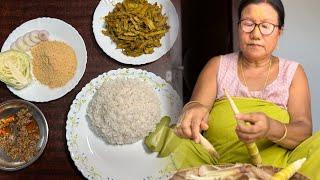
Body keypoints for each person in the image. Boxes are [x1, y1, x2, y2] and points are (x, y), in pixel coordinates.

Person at [145, 0, 320, 179]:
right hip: (215, 166)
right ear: (238, 27)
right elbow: (197, 104)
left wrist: (270, 128)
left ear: (279, 32)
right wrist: (193, 109)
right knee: (171, 142)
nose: (256, 34)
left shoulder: (293, 72)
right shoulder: (217, 65)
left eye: (266, 26)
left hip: (277, 169)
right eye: (248, 24)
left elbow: (303, 130)